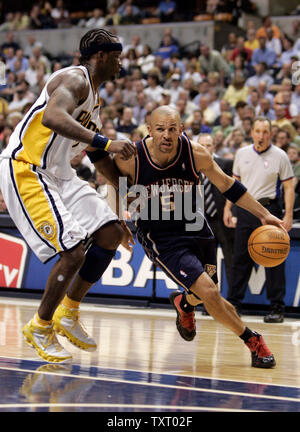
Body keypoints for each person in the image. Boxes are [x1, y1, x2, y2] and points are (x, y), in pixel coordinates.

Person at [109, 105, 288, 369]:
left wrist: (264, 215)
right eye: (160, 129)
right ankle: (254, 341)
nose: (167, 135)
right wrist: (119, 224)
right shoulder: (131, 157)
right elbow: (116, 187)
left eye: (173, 129)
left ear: (181, 130)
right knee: (209, 291)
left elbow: (228, 185)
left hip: (196, 227)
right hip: (162, 236)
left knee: (206, 292)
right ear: (149, 130)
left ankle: (184, 303)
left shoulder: (195, 153)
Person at [0, 28, 136, 363]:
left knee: (110, 232)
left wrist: (127, 198)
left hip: (59, 174)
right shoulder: (74, 80)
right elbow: (52, 116)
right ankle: (40, 325)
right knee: (73, 252)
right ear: (101, 56)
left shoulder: (94, 99)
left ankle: (68, 312)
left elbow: (97, 155)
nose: (122, 63)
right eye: (117, 56)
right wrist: (108, 141)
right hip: (27, 168)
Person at [224, 117, 294, 322]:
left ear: (270, 134)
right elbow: (234, 183)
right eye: (258, 131)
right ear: (252, 132)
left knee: (274, 258)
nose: (261, 135)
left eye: (265, 131)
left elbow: (288, 186)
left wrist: (287, 215)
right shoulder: (242, 153)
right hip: (245, 209)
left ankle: (277, 308)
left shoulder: (280, 156)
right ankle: (234, 304)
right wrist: (229, 207)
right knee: (240, 259)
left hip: (270, 209)